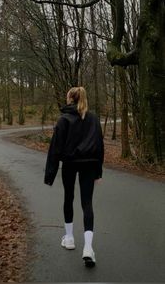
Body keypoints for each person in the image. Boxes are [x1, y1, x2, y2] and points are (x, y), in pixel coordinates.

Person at [44, 86, 104, 267]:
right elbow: (100, 145)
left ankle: (69, 238)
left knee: (68, 198)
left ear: (70, 98)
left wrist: (50, 174)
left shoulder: (64, 119)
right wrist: (98, 171)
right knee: (87, 203)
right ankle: (88, 248)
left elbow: (55, 148)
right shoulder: (93, 119)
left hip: (69, 165)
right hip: (89, 165)